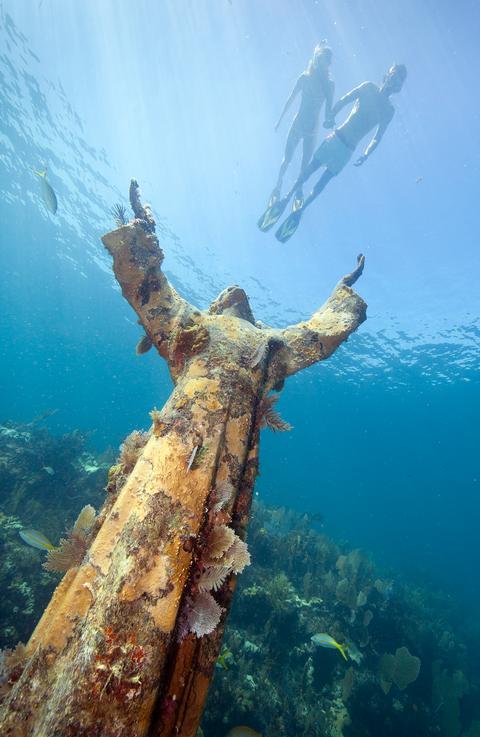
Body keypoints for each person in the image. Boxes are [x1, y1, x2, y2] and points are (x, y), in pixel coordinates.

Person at [258, 63, 407, 243]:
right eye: (394, 75)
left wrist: (366, 154)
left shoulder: (389, 111)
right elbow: (345, 99)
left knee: (322, 184)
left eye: (399, 79)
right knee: (309, 171)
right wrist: (331, 116)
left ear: (399, 87)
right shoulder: (368, 87)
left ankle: (300, 209)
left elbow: (378, 136)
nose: (395, 80)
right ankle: (287, 196)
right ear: (387, 75)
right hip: (336, 137)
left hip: (348, 151)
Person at [263, 43, 335, 218]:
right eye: (319, 59)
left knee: (304, 166)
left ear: (328, 63)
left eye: (326, 60)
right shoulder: (304, 77)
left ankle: (298, 190)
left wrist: (329, 121)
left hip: (312, 130)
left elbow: (328, 112)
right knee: (286, 159)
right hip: (298, 124)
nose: (322, 63)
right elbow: (290, 98)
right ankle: (278, 186)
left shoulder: (329, 85)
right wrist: (279, 120)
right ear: (315, 59)